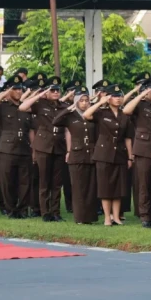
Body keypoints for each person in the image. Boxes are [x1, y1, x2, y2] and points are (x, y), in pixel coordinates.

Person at [83, 83, 132, 226]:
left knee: (119, 188)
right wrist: (100, 102)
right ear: (109, 98)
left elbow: (128, 138)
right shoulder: (102, 113)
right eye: (114, 96)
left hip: (120, 154)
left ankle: (116, 217)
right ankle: (107, 218)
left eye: (120, 96)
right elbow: (86, 115)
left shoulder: (124, 115)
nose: (118, 98)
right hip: (104, 154)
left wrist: (130, 156)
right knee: (105, 187)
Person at [0, 75, 33, 219]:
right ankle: (10, 209)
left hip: (24, 148)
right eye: (15, 89)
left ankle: (22, 210)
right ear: (9, 90)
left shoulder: (25, 107)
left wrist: (33, 149)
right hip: (6, 149)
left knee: (25, 182)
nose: (18, 91)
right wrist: (2, 94)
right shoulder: (2, 106)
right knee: (7, 181)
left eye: (20, 89)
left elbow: (30, 129)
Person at [21, 76, 68, 222]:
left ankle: (55, 212)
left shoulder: (64, 106)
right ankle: (45, 212)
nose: (56, 92)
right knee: (44, 181)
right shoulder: (40, 104)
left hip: (59, 146)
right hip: (43, 146)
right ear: (47, 92)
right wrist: (39, 94)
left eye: (57, 90)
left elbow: (67, 128)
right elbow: (22, 107)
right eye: (52, 90)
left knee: (57, 183)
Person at [124, 74, 151, 228]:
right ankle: (145, 216)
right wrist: (141, 94)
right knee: (144, 185)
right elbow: (126, 110)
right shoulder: (140, 105)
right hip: (144, 150)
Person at [54, 88, 98, 225]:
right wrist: (69, 108)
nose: (84, 103)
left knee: (91, 187)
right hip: (77, 154)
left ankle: (89, 217)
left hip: (91, 154)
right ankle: (79, 217)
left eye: (86, 100)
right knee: (79, 187)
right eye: (81, 101)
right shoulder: (70, 116)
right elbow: (55, 121)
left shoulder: (93, 115)